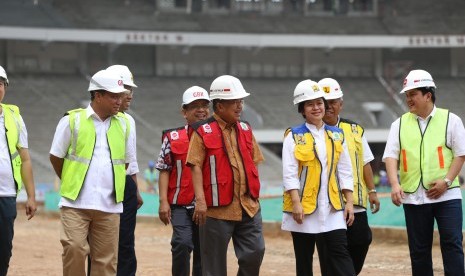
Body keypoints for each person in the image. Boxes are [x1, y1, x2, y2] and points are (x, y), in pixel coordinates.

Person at [49, 69, 136, 276]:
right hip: (75, 204)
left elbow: (124, 162)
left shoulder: (125, 124)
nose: (120, 100)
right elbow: (55, 156)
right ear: (98, 95)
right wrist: (72, 180)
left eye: (121, 95)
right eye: (114, 96)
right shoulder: (72, 120)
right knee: (75, 249)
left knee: (106, 262)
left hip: (109, 207)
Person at [383, 69, 465, 276]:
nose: (408, 99)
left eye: (413, 94)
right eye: (407, 95)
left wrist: (446, 181)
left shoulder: (451, 120)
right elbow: (390, 156)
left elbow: (461, 154)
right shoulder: (398, 124)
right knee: (418, 251)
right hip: (414, 198)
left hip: (447, 196)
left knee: (452, 245)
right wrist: (394, 184)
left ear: (428, 95)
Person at [187, 75, 265, 276]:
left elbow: (255, 161)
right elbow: (194, 165)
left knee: (255, 252)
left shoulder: (246, 128)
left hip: (248, 207)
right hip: (215, 210)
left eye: (241, 101)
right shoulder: (202, 131)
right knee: (213, 267)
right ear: (219, 106)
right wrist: (200, 201)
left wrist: (254, 191)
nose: (240, 106)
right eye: (235, 102)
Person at [281, 79, 355, 276]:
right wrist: (296, 203)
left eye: (320, 103)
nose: (316, 108)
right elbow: (289, 173)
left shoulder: (337, 135)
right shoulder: (293, 136)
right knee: (304, 260)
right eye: (310, 104)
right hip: (303, 208)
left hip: (332, 208)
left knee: (340, 252)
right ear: (302, 109)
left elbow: (345, 171)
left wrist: (349, 202)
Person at [316, 78, 380, 275]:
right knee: (330, 253)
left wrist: (372, 191)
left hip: (356, 203)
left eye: (333, 102)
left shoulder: (354, 130)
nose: (328, 107)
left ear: (340, 104)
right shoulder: (311, 131)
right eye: (323, 102)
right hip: (327, 204)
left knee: (362, 240)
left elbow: (365, 162)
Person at [156, 86, 210, 276]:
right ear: (184, 112)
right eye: (195, 106)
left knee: (204, 251)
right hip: (180, 205)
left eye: (204, 105)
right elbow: (164, 169)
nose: (201, 110)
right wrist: (163, 202)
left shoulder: (217, 137)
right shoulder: (172, 138)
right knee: (182, 243)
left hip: (209, 206)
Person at [107, 64, 143, 276]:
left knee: (126, 241)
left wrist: (135, 190)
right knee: (101, 243)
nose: (130, 95)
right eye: (126, 88)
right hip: (102, 186)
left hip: (125, 187)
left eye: (131, 90)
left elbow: (131, 160)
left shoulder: (129, 121)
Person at [0, 65, 37, 276]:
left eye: (0, 83)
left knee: (4, 249)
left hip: (6, 194)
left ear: (5, 87)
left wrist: (31, 196)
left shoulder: (14, 117)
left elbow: (25, 159)